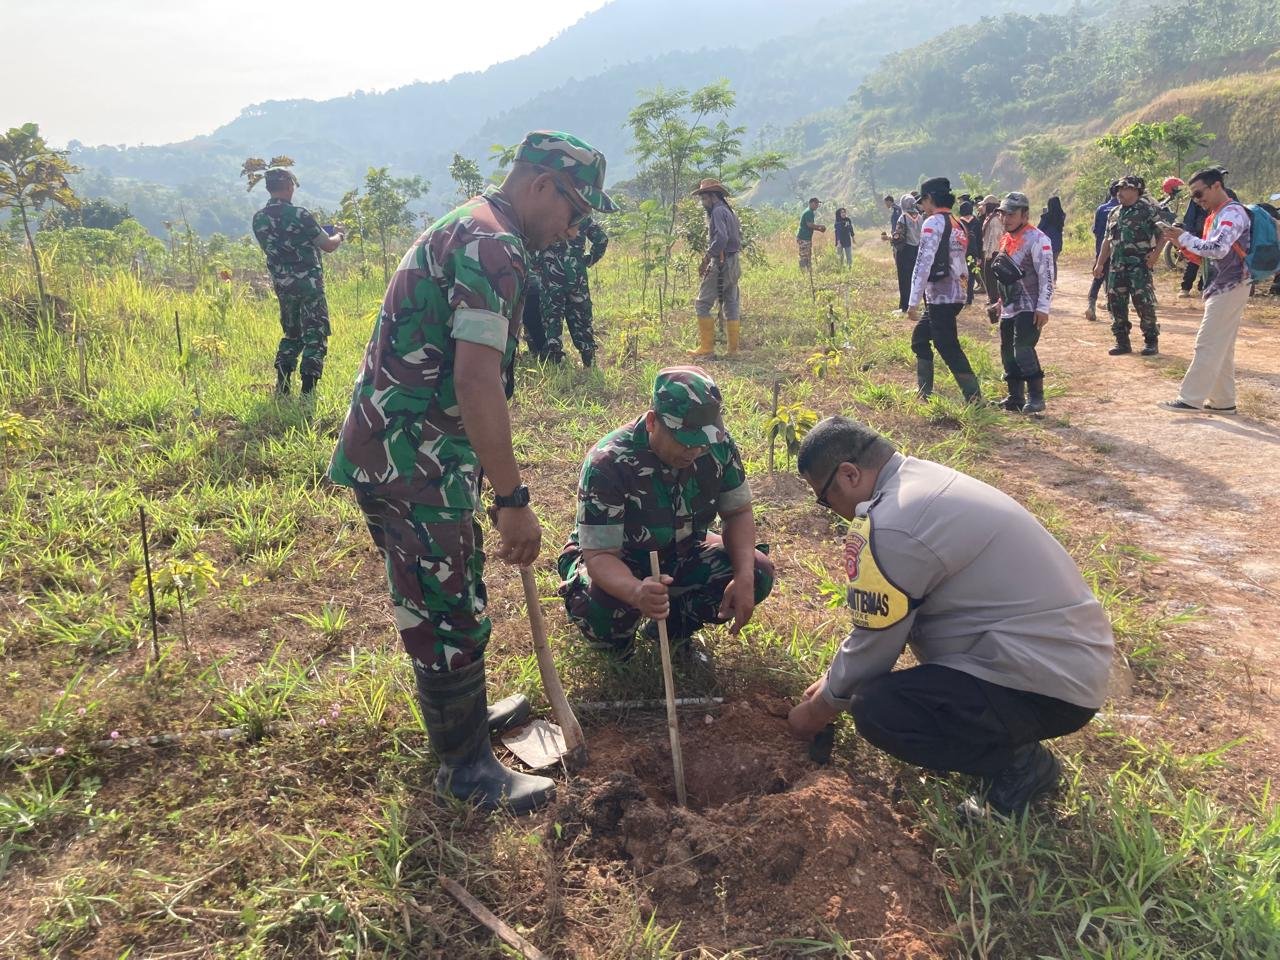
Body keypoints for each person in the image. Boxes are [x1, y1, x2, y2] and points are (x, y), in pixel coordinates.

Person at [327, 130, 617, 814]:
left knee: (444, 597)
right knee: (449, 608)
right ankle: (465, 771)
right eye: (575, 211)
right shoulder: (496, 246)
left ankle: (464, 725)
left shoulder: (472, 224)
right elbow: (477, 379)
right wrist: (513, 498)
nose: (574, 230)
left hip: (404, 449)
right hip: (415, 460)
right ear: (541, 185)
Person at [788, 416, 1114, 818]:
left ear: (850, 474)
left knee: (878, 708)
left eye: (824, 498)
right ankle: (998, 742)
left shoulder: (894, 525)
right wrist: (835, 680)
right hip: (1061, 658)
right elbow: (883, 624)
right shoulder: (917, 484)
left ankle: (1020, 767)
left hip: (1049, 687)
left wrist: (816, 712)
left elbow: (876, 645)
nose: (831, 511)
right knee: (871, 691)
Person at [557, 366, 775, 666]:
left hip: (683, 549)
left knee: (756, 570)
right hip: (619, 559)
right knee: (599, 608)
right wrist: (636, 591)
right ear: (651, 422)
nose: (695, 451)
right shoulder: (609, 462)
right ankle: (617, 648)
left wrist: (744, 576)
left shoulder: (717, 446)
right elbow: (600, 556)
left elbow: (737, 512)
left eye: (702, 441)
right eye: (684, 440)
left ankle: (672, 635)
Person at [1157, 167, 1253, 415]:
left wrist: (1185, 237)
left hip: (1231, 285)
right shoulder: (1215, 216)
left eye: (1200, 194)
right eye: (1194, 197)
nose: (1198, 200)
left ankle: (1190, 399)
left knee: (1207, 342)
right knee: (1222, 346)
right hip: (1222, 285)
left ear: (1217, 186)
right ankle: (1223, 401)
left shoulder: (1232, 213)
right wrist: (1180, 242)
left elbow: (1218, 248)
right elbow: (1209, 257)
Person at [251, 168, 344, 396]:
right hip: (309, 285)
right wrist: (340, 234)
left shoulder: (259, 218)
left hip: (283, 286)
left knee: (292, 334)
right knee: (315, 333)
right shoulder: (300, 215)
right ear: (289, 186)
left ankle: (282, 387)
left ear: (269, 188)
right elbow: (328, 245)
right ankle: (308, 391)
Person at [906, 177, 981, 404]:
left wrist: (912, 302)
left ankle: (974, 397)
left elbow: (923, 263)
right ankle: (924, 392)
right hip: (955, 292)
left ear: (930, 200)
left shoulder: (933, 223)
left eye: (923, 202)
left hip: (942, 295)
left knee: (947, 345)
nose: (922, 207)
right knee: (920, 338)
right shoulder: (958, 223)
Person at [988, 192, 1055, 414]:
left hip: (1030, 307)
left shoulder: (1038, 240)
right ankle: (1015, 397)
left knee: (1023, 350)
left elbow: (1047, 276)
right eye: (1003, 214)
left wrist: (1043, 307)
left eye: (1011, 214)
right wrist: (999, 302)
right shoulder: (1006, 239)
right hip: (1009, 307)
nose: (1006, 219)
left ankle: (1036, 397)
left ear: (1024, 215)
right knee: (1007, 351)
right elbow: (1006, 275)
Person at [1094, 175, 1166, 356]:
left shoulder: (1147, 210)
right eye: (1118, 189)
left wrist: (1155, 255)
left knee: (1143, 303)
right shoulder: (1114, 212)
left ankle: (1151, 341)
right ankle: (1122, 342)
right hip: (1117, 267)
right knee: (1115, 303)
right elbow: (1107, 241)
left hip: (1139, 266)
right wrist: (1100, 264)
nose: (1119, 193)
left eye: (1124, 189)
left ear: (1135, 190)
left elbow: (1163, 234)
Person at [538, 215, 609, 367]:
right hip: (577, 276)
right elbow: (602, 239)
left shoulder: (545, 213)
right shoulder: (580, 215)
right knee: (581, 317)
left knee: (552, 317)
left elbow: (530, 244)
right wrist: (588, 260)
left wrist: (538, 265)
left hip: (551, 276)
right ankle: (589, 358)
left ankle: (554, 362)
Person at [691, 178, 744, 358]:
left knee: (702, 303)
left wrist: (707, 258)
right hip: (734, 261)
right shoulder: (729, 211)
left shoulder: (717, 212)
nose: (702, 202)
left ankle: (707, 349)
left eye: (703, 198)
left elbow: (721, 238)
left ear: (712, 196)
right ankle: (733, 350)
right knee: (731, 303)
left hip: (722, 263)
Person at [1085, 181, 1120, 321]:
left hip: (1101, 249)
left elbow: (1096, 230)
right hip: (1118, 252)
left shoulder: (1101, 209)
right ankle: (1113, 313)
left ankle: (1091, 306)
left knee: (1098, 278)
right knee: (1114, 282)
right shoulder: (1123, 209)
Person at [891, 194, 922, 313]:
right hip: (917, 249)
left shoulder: (903, 217)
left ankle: (904, 306)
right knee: (915, 278)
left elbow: (898, 236)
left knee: (904, 279)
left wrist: (891, 238)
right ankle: (914, 303)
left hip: (905, 251)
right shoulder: (920, 217)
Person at [980, 194, 1004, 306]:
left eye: (984, 205)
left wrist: (989, 253)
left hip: (993, 252)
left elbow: (993, 238)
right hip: (991, 252)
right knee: (988, 277)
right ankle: (992, 297)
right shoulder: (991, 217)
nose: (982, 208)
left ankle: (994, 299)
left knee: (990, 277)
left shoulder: (994, 220)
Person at [957, 200, 982, 304]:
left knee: (962, 274)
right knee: (971, 274)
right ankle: (970, 297)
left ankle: (963, 294)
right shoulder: (977, 222)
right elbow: (980, 240)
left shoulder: (959, 222)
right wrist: (979, 255)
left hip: (962, 251)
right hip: (973, 252)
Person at [1036, 195, 1065, 277]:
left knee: (1047, 262)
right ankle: (1054, 280)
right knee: (1053, 262)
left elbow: (1039, 229)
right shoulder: (1062, 216)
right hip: (1058, 243)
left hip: (1047, 243)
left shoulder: (1046, 217)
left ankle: (1049, 280)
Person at [797, 197, 826, 271]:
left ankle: (808, 271)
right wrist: (820, 227)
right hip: (804, 237)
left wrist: (819, 229)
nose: (817, 206)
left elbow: (810, 226)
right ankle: (803, 271)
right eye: (815, 203)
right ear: (811, 203)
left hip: (806, 237)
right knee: (804, 255)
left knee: (808, 255)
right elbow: (809, 225)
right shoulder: (808, 212)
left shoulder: (810, 212)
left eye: (817, 204)